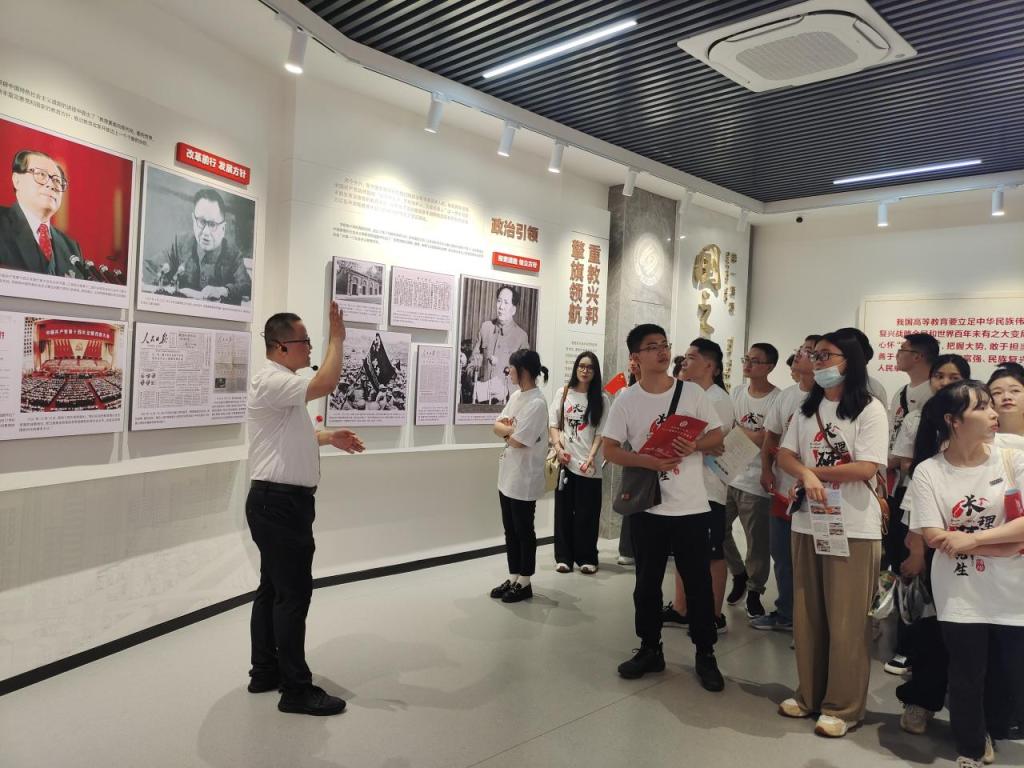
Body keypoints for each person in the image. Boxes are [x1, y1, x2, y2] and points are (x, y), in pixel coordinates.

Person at [246, 300, 365, 716]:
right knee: (293, 595)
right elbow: (327, 382)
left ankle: (265, 671)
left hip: (275, 503)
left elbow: (286, 438)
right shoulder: (272, 380)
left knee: (273, 590)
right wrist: (338, 338)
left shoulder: (281, 384)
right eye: (305, 342)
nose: (310, 348)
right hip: (280, 505)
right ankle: (296, 689)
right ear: (281, 347)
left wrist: (328, 437)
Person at [776, 331, 889, 737]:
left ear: (849, 360)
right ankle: (809, 694)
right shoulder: (807, 409)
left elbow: (866, 467)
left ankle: (843, 707)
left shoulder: (869, 409)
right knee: (807, 615)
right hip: (809, 521)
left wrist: (811, 472)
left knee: (846, 620)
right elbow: (784, 454)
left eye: (826, 355)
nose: (817, 362)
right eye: (814, 355)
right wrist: (805, 475)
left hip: (854, 526)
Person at [602, 324, 726, 691]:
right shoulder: (627, 399)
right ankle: (649, 648)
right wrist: (646, 461)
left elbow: (717, 435)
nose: (662, 351)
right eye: (652, 346)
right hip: (649, 508)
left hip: (691, 507)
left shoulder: (691, 392)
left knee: (698, 584)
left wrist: (695, 446)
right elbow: (610, 449)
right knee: (646, 583)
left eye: (664, 344)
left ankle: (705, 653)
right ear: (636, 357)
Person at [908, 380, 1024, 768]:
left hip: (1014, 589)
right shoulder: (929, 471)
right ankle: (971, 747)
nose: (994, 413)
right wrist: (1005, 543)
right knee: (965, 672)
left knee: (1008, 672)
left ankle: (993, 728)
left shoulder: (1013, 459)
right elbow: (933, 535)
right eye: (982, 407)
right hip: (959, 588)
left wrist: (971, 540)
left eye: (992, 405)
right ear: (953, 420)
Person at [889, 354, 970, 735]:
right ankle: (921, 700)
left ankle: (978, 718)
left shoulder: (1000, 442)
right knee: (932, 624)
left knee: (975, 636)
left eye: (954, 377)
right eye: (940, 375)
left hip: (982, 546)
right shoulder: (922, 422)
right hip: (932, 529)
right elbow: (915, 479)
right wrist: (917, 546)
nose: (945, 383)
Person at [663, 339, 733, 634]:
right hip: (685, 486)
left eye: (691, 357)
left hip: (710, 488)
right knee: (684, 551)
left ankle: (714, 614)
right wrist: (698, 444)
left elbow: (717, 443)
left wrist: (697, 444)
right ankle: (682, 608)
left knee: (713, 554)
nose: (684, 362)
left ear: (709, 366)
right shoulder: (686, 393)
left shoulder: (718, 399)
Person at [753, 334, 821, 631]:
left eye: (808, 351)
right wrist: (766, 470)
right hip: (783, 489)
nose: (800, 355)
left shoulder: (829, 398)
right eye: (801, 349)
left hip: (816, 493)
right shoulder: (787, 396)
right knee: (781, 554)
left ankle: (812, 622)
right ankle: (786, 613)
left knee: (813, 560)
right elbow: (771, 435)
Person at [883, 331, 940, 675]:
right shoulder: (901, 393)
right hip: (899, 489)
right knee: (901, 564)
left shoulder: (935, 401)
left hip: (926, 490)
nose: (898, 355)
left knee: (923, 567)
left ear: (918, 356)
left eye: (902, 350)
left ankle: (919, 646)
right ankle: (903, 640)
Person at [723, 343, 780, 619]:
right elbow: (729, 430)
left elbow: (767, 439)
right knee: (716, 529)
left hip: (757, 480)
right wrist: (751, 434)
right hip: (728, 473)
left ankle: (755, 590)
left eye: (755, 361)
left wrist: (741, 431)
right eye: (746, 359)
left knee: (757, 542)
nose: (748, 364)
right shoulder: (736, 393)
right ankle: (738, 574)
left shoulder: (777, 399)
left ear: (769, 367)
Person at [490, 350, 549, 603]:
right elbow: (496, 425)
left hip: (524, 477)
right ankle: (513, 576)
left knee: (524, 529)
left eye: (511, 367)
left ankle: (525, 581)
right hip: (508, 475)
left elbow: (519, 441)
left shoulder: (537, 403)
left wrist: (509, 431)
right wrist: (510, 431)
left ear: (523, 370)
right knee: (510, 530)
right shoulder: (516, 396)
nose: (508, 372)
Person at [549, 350, 609, 574]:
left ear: (595, 372)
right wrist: (558, 448)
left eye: (590, 367)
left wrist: (591, 457)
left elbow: (601, 433)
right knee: (563, 512)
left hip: (589, 466)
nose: (585, 370)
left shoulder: (602, 399)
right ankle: (563, 556)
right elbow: (553, 424)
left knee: (588, 513)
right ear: (576, 368)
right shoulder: (564, 393)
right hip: (566, 462)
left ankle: (587, 557)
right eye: (582, 366)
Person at [144, 187, 251, 304]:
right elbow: (150, 268)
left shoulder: (233, 254)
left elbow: (247, 287)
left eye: (212, 224)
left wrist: (223, 291)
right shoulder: (180, 243)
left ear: (223, 228)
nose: (206, 232)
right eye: (201, 222)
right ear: (193, 220)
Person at [0, 149, 82, 277]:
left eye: (57, 180)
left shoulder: (71, 247)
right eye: (41, 174)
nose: (51, 185)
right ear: (17, 181)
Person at [470, 284, 530, 405]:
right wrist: (473, 379)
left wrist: (506, 391)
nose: (501, 307)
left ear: (513, 310)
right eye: (499, 301)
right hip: (480, 402)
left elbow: (525, 378)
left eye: (506, 303)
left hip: (506, 405)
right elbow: (471, 365)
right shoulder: (486, 328)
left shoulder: (521, 337)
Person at [617, 356, 643, 567]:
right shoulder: (625, 390)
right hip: (630, 450)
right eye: (630, 358)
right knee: (630, 496)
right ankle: (627, 548)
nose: (632, 363)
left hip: (654, 452)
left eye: (636, 358)